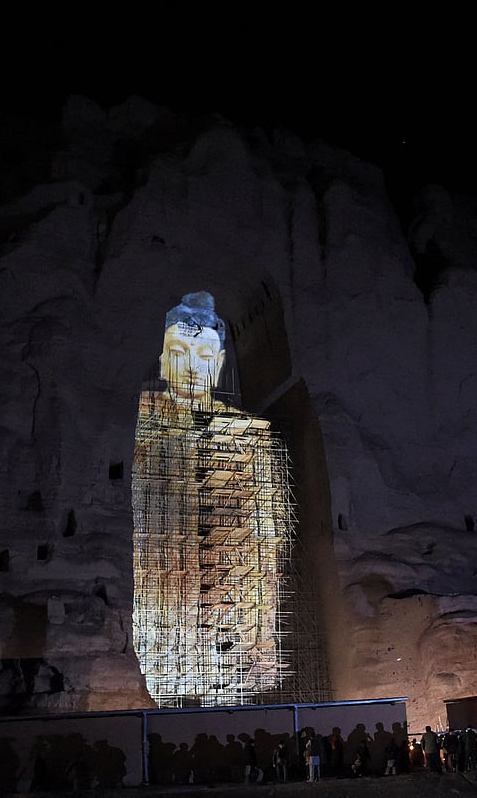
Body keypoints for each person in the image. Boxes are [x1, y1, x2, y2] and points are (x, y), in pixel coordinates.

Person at [132, 291, 293, 706]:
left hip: (234, 590)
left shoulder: (251, 434)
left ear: (219, 365)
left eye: (206, 356)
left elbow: (269, 528)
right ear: (164, 357)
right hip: (162, 585)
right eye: (180, 352)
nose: (191, 368)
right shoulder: (140, 421)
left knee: (230, 676)